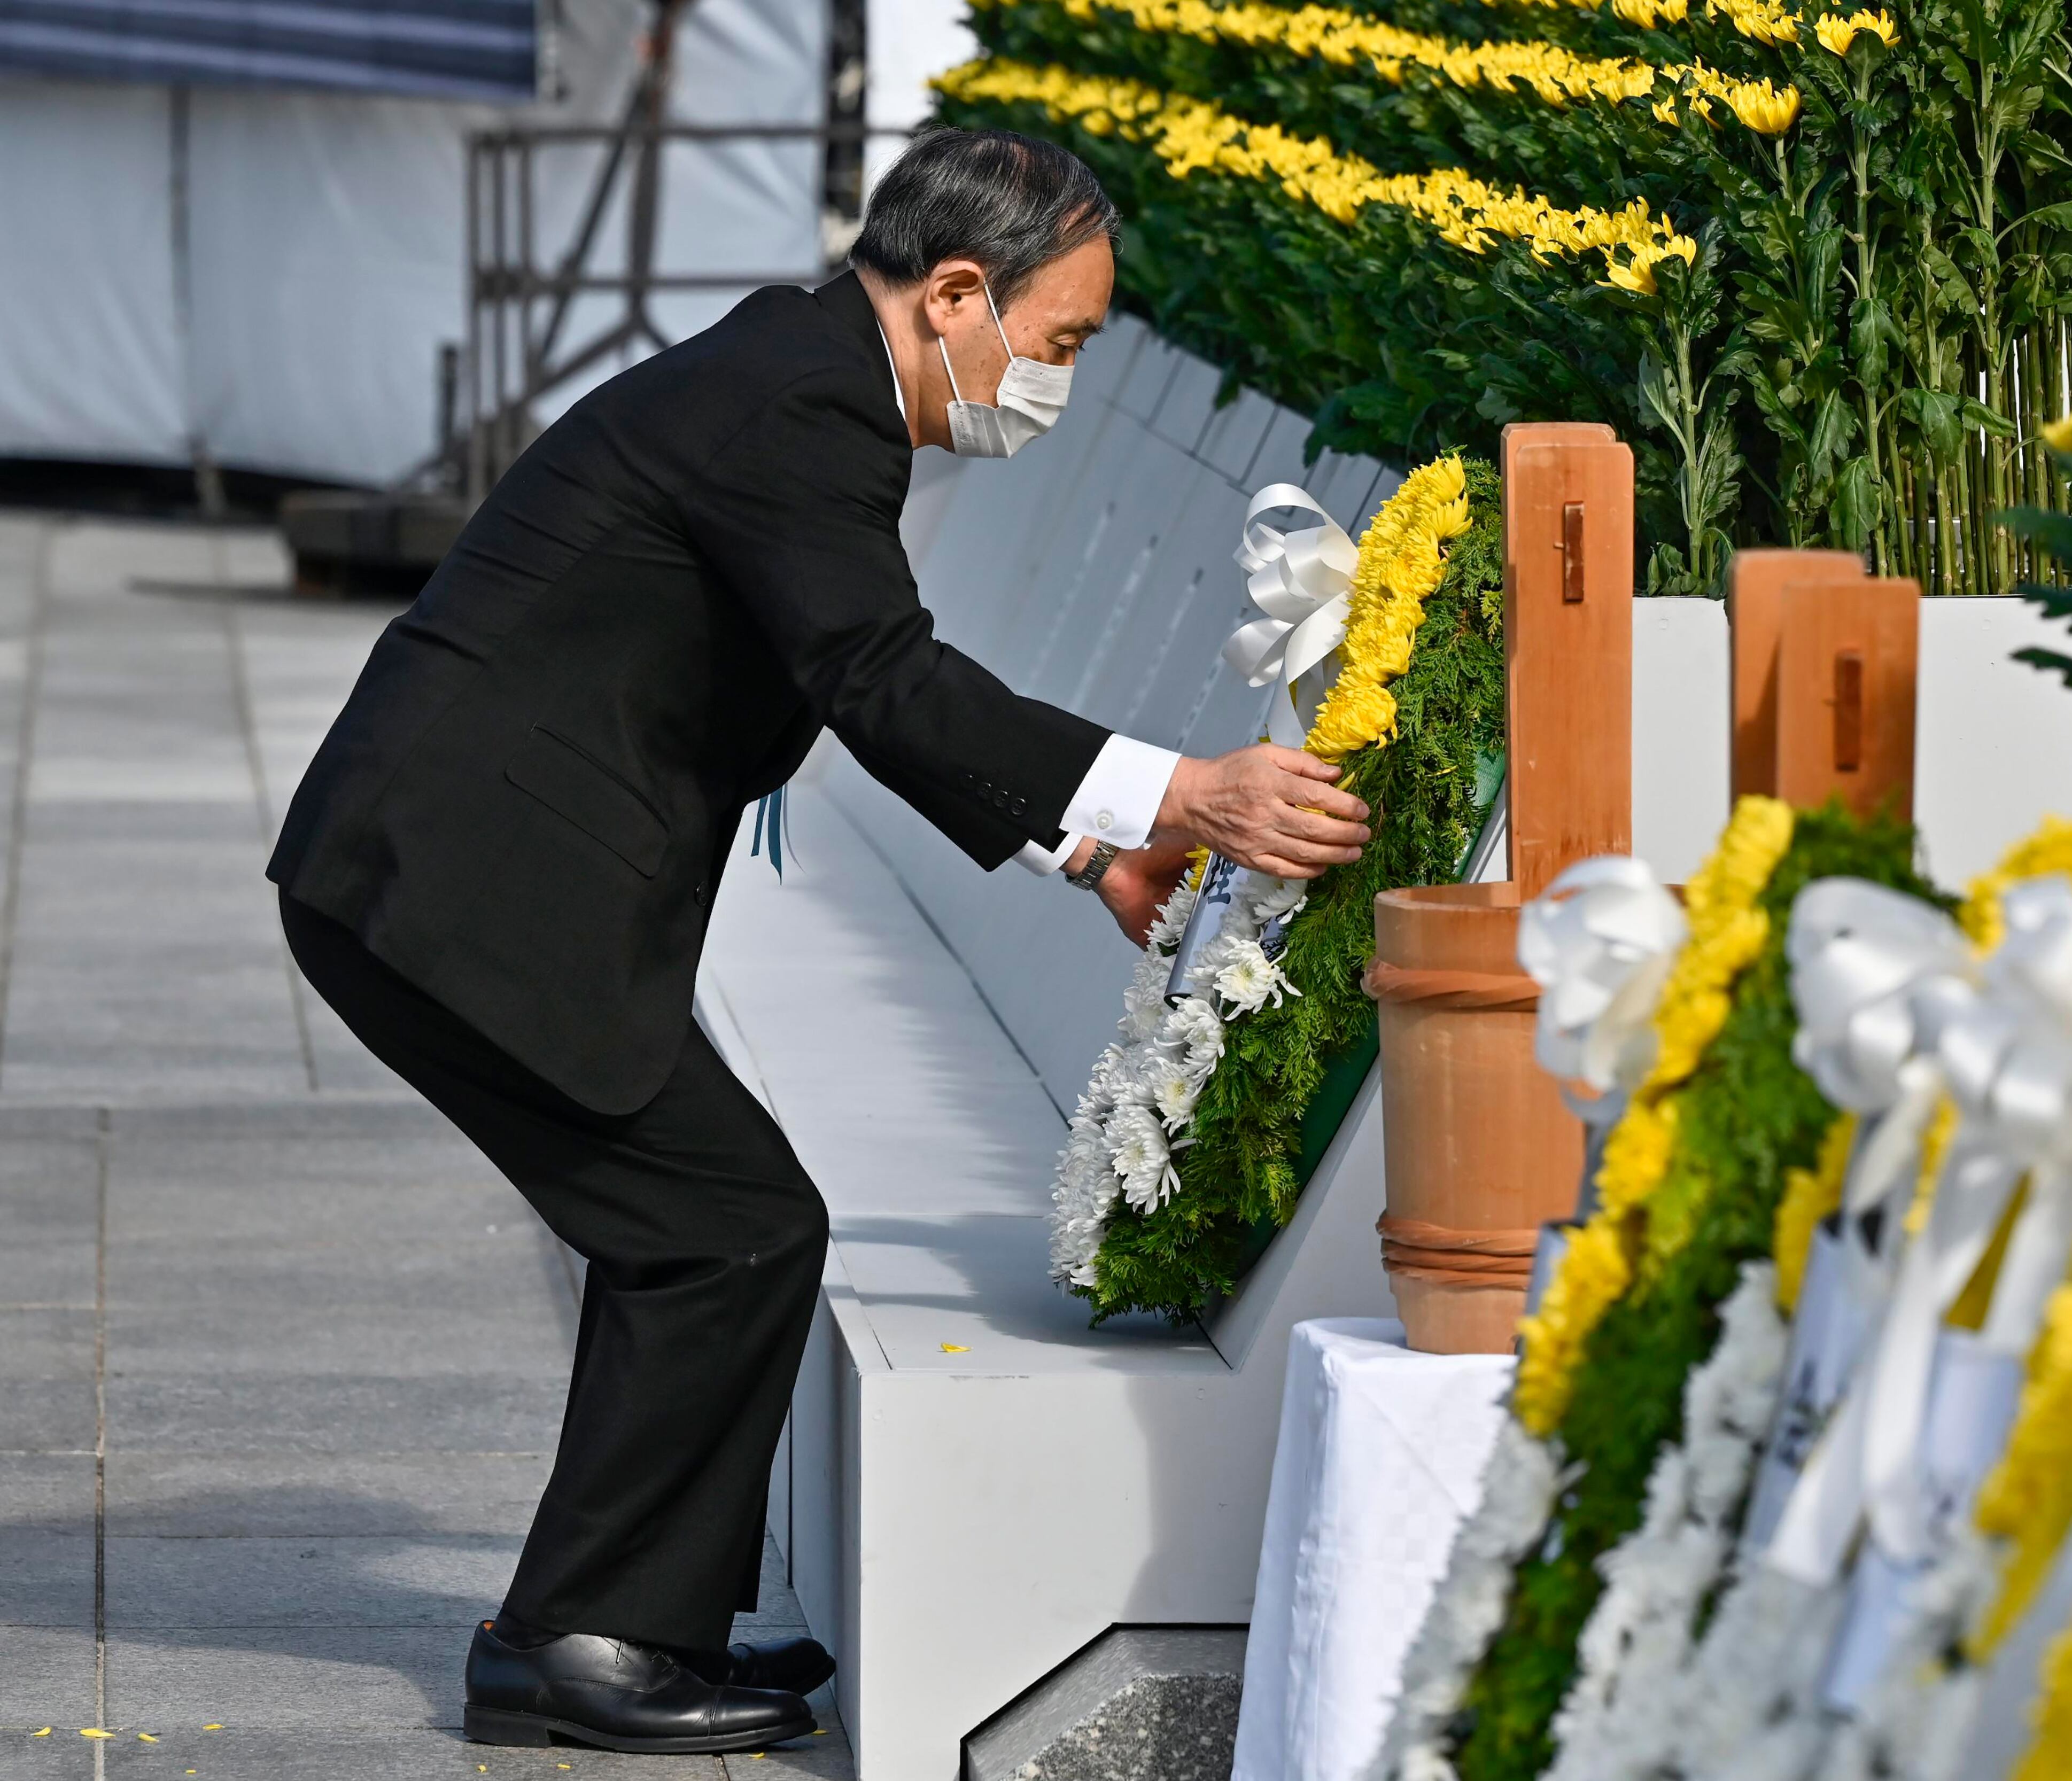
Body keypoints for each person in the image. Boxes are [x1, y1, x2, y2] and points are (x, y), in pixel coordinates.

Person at [267, 128, 1370, 1756]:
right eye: (1056, 346)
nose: (1051, 387)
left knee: (719, 1224)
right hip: (450, 885)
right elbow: (883, 678)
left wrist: (1086, 851)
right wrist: (1183, 792)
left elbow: (855, 673)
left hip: (452, 869)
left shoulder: (802, 373)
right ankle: (587, 1639)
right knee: (727, 1225)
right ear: (958, 294)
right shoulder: (803, 402)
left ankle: (617, 1624)